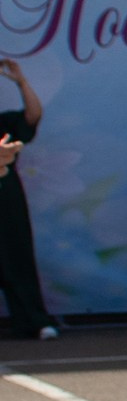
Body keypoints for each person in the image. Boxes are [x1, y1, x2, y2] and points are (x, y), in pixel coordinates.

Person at [0, 57, 58, 339]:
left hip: (6, 201)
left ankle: (34, 320)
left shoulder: (4, 123)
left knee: (17, 258)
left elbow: (32, 116)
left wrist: (21, 81)